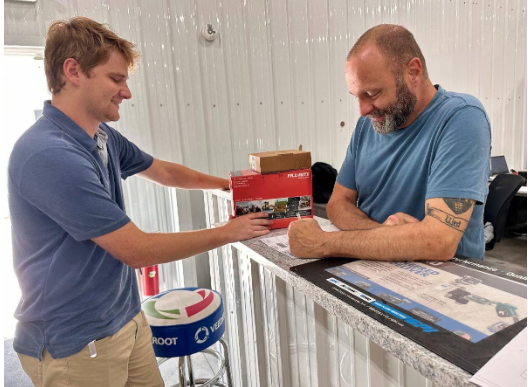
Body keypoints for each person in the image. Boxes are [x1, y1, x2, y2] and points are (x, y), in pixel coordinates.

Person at [8, 17, 272, 386]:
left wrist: (232, 185)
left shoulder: (101, 137)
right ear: (73, 71)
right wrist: (229, 232)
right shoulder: (49, 154)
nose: (126, 92)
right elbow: (137, 250)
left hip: (125, 317)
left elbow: (164, 172)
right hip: (79, 344)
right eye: (116, 79)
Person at [288, 24, 491, 261]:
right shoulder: (369, 125)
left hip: (444, 284)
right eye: (357, 96)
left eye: (372, 94)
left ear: (413, 72)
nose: (363, 110)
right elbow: (338, 204)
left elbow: (439, 241)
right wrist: (385, 236)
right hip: (376, 271)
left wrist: (322, 243)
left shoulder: (462, 117)